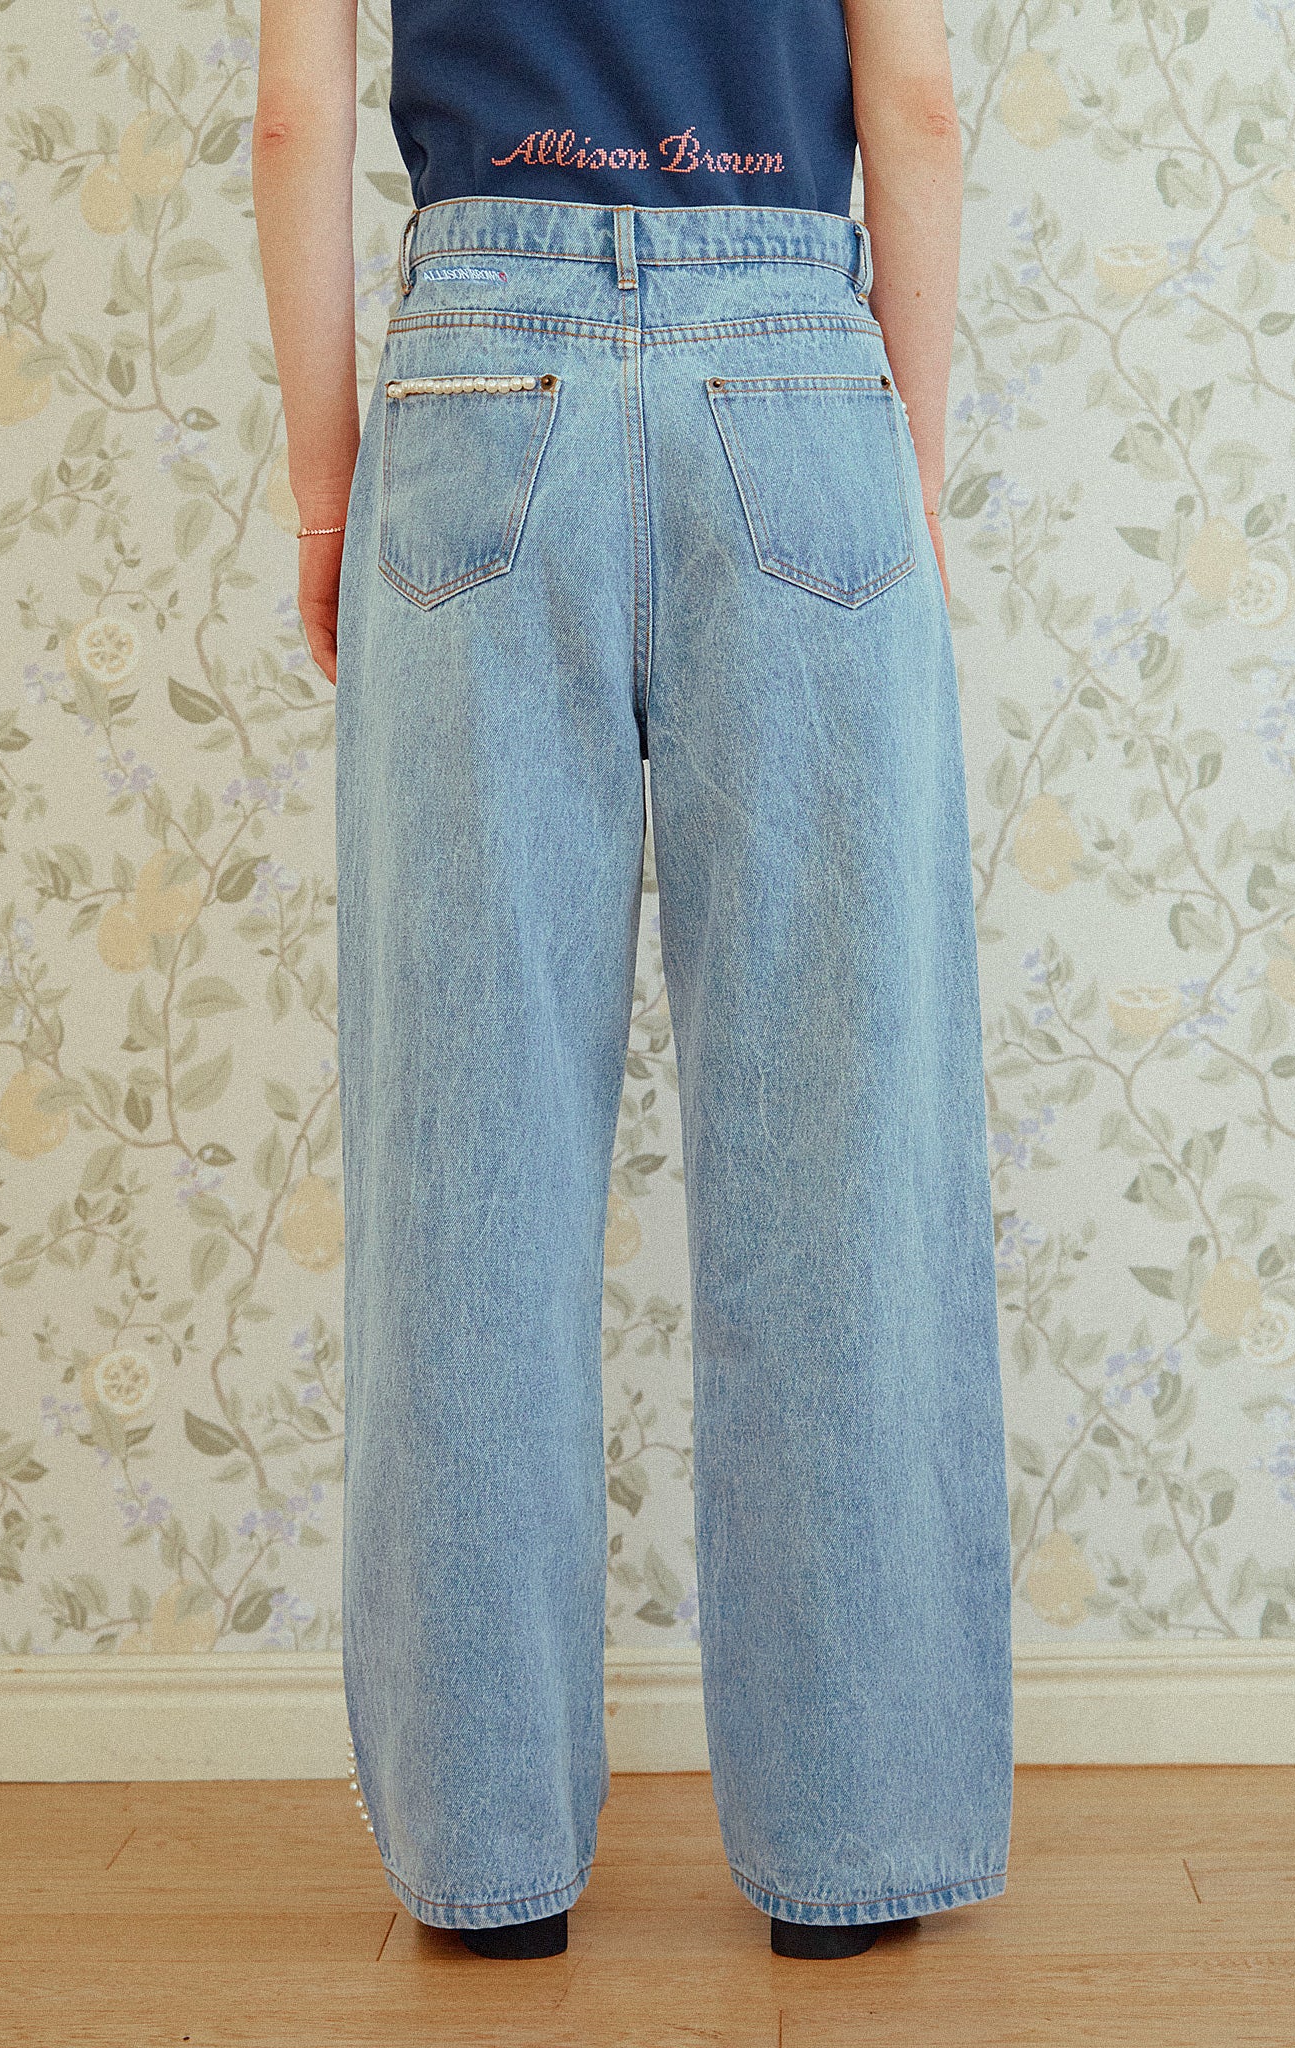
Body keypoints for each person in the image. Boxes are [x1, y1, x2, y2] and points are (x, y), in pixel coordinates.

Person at [253, 0, 1014, 1966]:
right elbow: (916, 107)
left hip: (475, 375)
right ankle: (853, 1844)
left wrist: (328, 493)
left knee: (463, 1172)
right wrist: (907, 467)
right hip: (793, 370)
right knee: (842, 1153)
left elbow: (293, 119)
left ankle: (486, 1862)